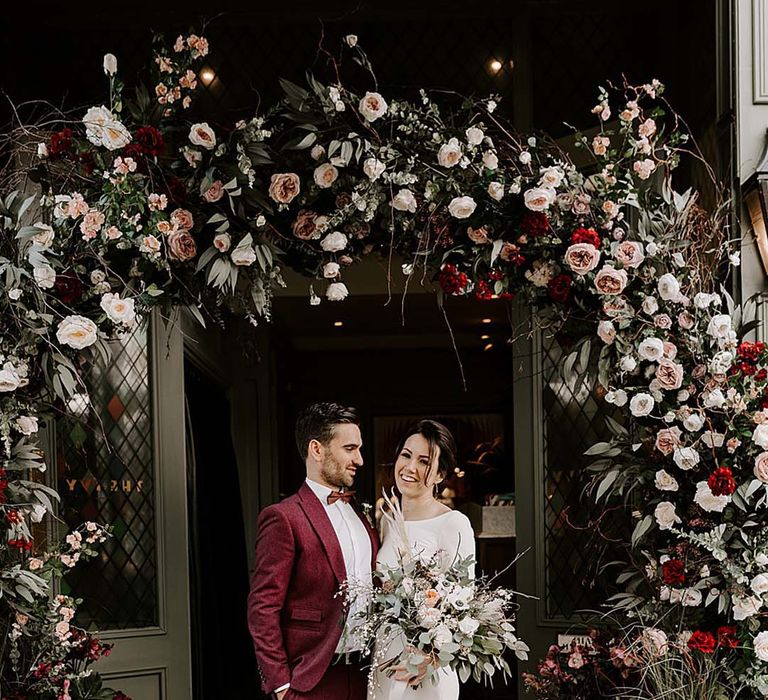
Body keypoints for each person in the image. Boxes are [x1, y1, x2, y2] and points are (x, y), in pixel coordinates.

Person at [248, 402, 379, 700]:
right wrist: (280, 686)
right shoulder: (283, 517)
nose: (359, 459)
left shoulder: (360, 513)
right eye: (350, 448)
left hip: (367, 676)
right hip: (311, 681)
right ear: (317, 450)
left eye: (359, 449)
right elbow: (262, 607)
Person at [369, 419, 476, 700]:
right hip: (386, 655)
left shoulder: (453, 523)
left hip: (426, 666)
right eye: (406, 455)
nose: (410, 467)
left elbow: (465, 606)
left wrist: (432, 658)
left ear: (440, 474)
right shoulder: (389, 521)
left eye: (424, 461)